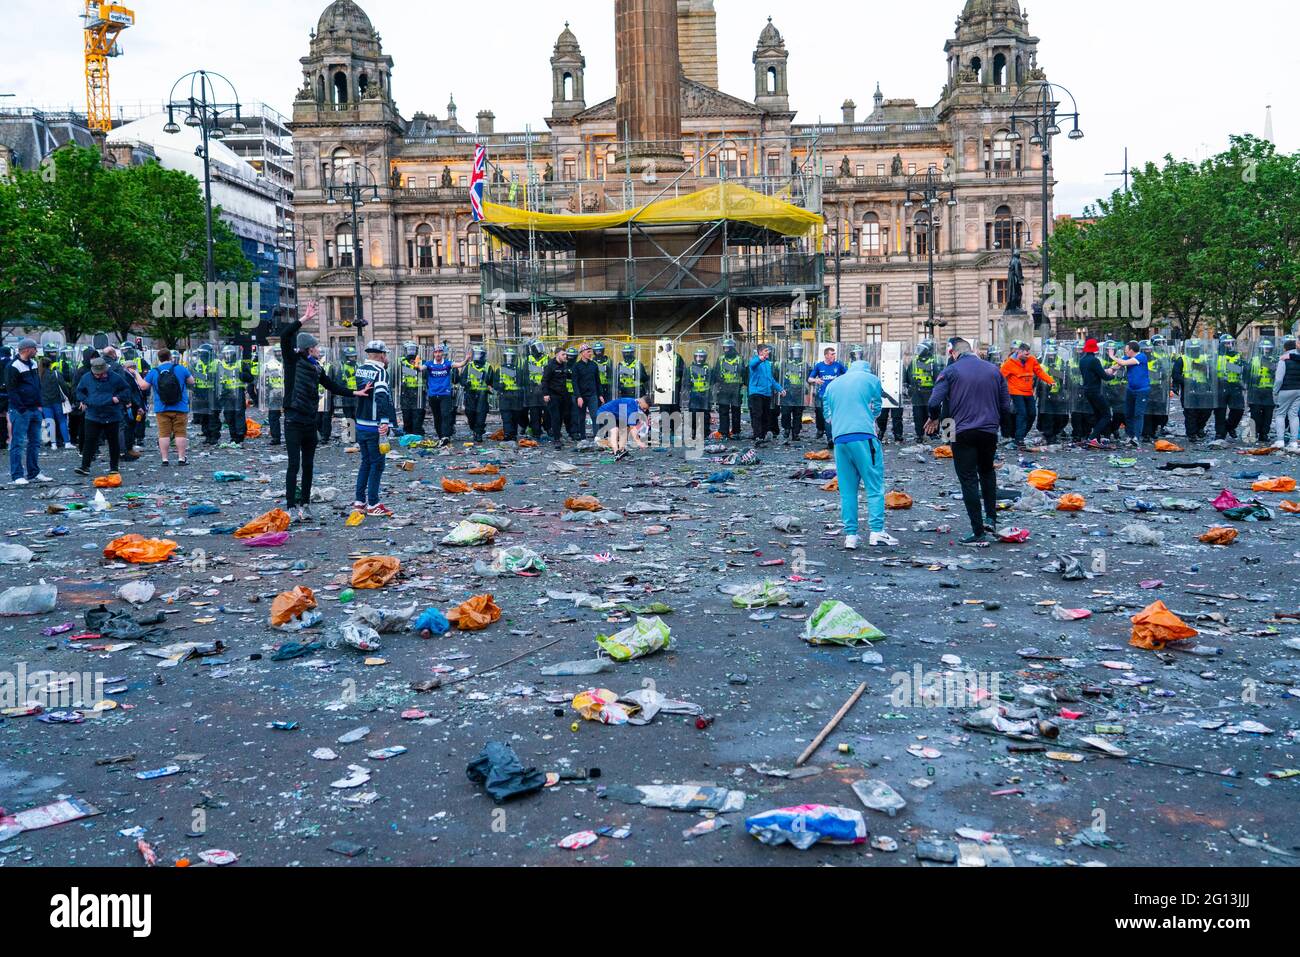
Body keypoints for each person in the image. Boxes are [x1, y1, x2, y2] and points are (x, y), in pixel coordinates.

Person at [281, 308, 373, 519]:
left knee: (309, 465)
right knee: (294, 464)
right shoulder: (293, 362)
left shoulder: (316, 368)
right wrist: (304, 318)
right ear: (307, 349)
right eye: (314, 347)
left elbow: (332, 385)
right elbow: (286, 335)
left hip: (309, 420)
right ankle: (291, 507)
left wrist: (355, 392)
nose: (318, 350)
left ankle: (305, 504)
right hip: (293, 419)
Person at [925, 338, 1013, 544]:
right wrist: (1003, 428)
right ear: (972, 350)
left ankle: (978, 531)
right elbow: (1006, 404)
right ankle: (991, 517)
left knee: (968, 479)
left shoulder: (951, 371)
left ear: (953, 353)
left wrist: (934, 418)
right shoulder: (993, 369)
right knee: (987, 472)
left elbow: (935, 401)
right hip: (988, 431)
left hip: (962, 431)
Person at [823, 358, 896, 550]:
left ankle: (851, 536)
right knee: (874, 485)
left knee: (847, 491)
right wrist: (869, 417)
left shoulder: (833, 384)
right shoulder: (871, 379)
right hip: (863, 437)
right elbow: (878, 407)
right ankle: (877, 531)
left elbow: (826, 414)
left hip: (840, 440)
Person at [352, 341, 397, 515]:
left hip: (361, 422)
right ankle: (373, 503)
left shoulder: (360, 369)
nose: (386, 358)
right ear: (381, 355)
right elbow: (380, 396)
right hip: (374, 425)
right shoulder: (380, 372)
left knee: (365, 463)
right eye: (385, 354)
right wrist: (384, 421)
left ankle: (359, 501)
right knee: (377, 465)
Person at [73, 356, 132, 479]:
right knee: (89, 441)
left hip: (112, 414)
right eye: (98, 374)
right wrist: (84, 401)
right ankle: (85, 466)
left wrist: (118, 398)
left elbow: (127, 390)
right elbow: (79, 392)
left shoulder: (115, 377)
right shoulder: (86, 378)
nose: (101, 376)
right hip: (93, 415)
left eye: (103, 373)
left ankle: (114, 468)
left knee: (113, 442)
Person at [6, 338, 51, 485]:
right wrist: (22, 409)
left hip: (34, 409)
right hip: (21, 411)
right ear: (26, 349)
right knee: (18, 443)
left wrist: (39, 404)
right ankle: (17, 475)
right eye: (34, 348)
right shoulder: (13, 366)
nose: (36, 351)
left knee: (35, 443)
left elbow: (36, 385)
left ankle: (34, 472)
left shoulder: (32, 364)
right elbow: (12, 390)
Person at [139, 348, 192, 466]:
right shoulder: (180, 369)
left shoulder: (154, 371)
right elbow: (191, 382)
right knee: (180, 433)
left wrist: (136, 374)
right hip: (181, 407)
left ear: (159, 358)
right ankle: (181, 458)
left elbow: (143, 386)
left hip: (161, 408)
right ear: (171, 357)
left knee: (164, 434)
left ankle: (165, 459)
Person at [1000, 340, 1054, 447]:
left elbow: (1039, 372)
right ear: (1019, 352)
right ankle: (1019, 439)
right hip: (1016, 392)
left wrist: (1050, 381)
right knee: (1022, 414)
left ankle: (1020, 435)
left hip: (1028, 392)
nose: (1027, 356)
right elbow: (1000, 377)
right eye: (1025, 354)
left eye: (1028, 354)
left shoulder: (1031, 359)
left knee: (1032, 414)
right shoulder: (1009, 363)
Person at [1107, 340, 1150, 447]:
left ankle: (1136, 437)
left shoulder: (1141, 357)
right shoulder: (1128, 357)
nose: (1125, 352)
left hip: (1142, 390)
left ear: (1131, 350)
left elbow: (1123, 363)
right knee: (1128, 413)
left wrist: (1112, 356)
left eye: (1126, 350)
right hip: (1131, 389)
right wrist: (1109, 370)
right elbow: (1118, 365)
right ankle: (1130, 435)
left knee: (1138, 414)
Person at [423, 344, 465, 446]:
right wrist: (416, 364)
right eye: (436, 352)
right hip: (433, 395)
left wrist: (467, 359)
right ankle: (441, 436)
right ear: (433, 354)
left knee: (446, 415)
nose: (438, 354)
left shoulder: (447, 363)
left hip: (445, 394)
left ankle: (446, 436)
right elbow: (421, 368)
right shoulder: (429, 364)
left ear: (442, 353)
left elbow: (459, 365)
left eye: (440, 352)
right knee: (437, 417)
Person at [905, 340, 942, 441]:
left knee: (931, 413)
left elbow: (937, 377)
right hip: (917, 392)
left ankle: (933, 433)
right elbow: (908, 375)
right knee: (918, 415)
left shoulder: (933, 362)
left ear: (927, 350)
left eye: (921, 349)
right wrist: (907, 386)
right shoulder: (914, 361)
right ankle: (919, 434)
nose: (918, 351)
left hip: (930, 392)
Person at [1078, 339, 1112, 449]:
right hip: (1095, 391)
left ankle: (1095, 438)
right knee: (1107, 414)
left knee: (1098, 414)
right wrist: (1113, 374)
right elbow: (1105, 377)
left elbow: (1094, 373)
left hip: (1087, 391)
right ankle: (1092, 437)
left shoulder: (1082, 360)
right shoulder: (1094, 361)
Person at [459, 344, 496, 443]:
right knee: (470, 414)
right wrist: (466, 383)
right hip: (470, 394)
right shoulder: (469, 366)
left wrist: (490, 388)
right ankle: (474, 429)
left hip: (482, 395)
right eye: (476, 354)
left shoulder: (488, 367)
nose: (478, 356)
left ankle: (478, 433)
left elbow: (492, 382)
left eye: (480, 354)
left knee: (481, 415)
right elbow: (461, 379)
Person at [809, 346, 847, 441]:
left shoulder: (838, 365)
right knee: (823, 415)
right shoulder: (819, 365)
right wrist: (816, 380)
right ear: (826, 355)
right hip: (823, 395)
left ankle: (833, 436)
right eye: (832, 354)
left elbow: (848, 374)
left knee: (835, 415)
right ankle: (823, 432)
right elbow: (809, 379)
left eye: (834, 354)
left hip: (836, 395)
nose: (834, 356)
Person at [596, 395, 651, 460]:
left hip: (615, 415)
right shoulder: (632, 406)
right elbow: (632, 427)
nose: (644, 410)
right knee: (614, 429)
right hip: (604, 412)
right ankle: (616, 452)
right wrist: (638, 442)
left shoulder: (634, 404)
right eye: (644, 408)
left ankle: (621, 450)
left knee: (624, 429)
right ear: (641, 402)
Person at [217, 345, 252, 445]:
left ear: (234, 355)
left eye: (229, 354)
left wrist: (242, 375)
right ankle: (233, 435)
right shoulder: (220, 365)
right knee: (229, 415)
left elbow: (250, 378)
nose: (227, 356)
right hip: (226, 394)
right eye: (225, 354)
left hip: (238, 393)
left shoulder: (240, 364)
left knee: (239, 414)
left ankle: (240, 435)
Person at [1214, 334, 1246, 442]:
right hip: (1220, 386)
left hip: (1235, 386)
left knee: (1238, 410)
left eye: (1231, 343)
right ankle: (1219, 433)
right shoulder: (1216, 356)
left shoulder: (1238, 355)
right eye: (1227, 343)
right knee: (1220, 412)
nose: (1230, 345)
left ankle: (1229, 427)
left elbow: (1242, 370)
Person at [540, 345, 573, 447]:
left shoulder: (564, 365)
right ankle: (556, 439)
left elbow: (568, 376)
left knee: (562, 417)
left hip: (563, 395)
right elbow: (544, 380)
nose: (565, 356)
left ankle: (557, 435)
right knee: (555, 417)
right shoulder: (550, 366)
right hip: (552, 395)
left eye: (566, 354)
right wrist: (545, 394)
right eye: (563, 354)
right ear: (557, 355)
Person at [39, 355, 74, 451]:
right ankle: (67, 442)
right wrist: (68, 397)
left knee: (50, 422)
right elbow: (64, 387)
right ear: (50, 365)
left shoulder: (39, 376)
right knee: (62, 421)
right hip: (57, 401)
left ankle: (53, 444)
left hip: (45, 402)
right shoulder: (56, 373)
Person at [1271, 338, 1300, 451]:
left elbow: (1279, 379)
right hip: (1299, 390)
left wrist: (1275, 391)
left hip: (1286, 390)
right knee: (1293, 414)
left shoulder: (1284, 358)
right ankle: (1293, 442)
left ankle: (1280, 440)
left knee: (1280, 414)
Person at [1246, 339, 1276, 444]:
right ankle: (1254, 433)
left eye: (1268, 349)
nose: (1266, 350)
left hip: (1269, 391)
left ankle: (1264, 434)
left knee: (1268, 414)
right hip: (1255, 390)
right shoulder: (1254, 360)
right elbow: (1247, 373)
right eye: (1264, 348)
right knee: (1255, 414)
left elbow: (1276, 374)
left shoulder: (1274, 360)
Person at [747, 344, 779, 444]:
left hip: (766, 393)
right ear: (760, 352)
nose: (768, 352)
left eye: (768, 351)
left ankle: (763, 435)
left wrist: (780, 389)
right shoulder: (755, 360)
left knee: (766, 415)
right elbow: (752, 365)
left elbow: (771, 379)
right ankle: (757, 435)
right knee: (757, 414)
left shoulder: (768, 364)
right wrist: (760, 359)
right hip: (756, 392)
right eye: (766, 351)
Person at [189, 344, 220, 445]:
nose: (201, 356)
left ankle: (214, 436)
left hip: (213, 392)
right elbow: (192, 376)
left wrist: (206, 376)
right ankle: (207, 435)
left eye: (203, 354)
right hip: (200, 392)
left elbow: (219, 377)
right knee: (203, 416)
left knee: (213, 415)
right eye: (200, 354)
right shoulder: (197, 363)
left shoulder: (217, 363)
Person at [714, 339, 745, 439]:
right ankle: (724, 432)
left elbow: (743, 373)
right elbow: (716, 372)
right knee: (723, 411)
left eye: (727, 347)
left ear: (732, 348)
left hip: (736, 387)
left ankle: (736, 432)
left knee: (736, 411)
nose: (726, 349)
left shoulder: (739, 359)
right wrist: (719, 379)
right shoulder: (721, 359)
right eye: (725, 347)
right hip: (724, 387)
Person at [777, 343, 808, 443]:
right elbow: (779, 375)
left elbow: (808, 378)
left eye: (798, 351)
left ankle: (796, 433)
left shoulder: (805, 364)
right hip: (787, 392)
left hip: (799, 392)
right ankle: (786, 428)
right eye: (795, 351)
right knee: (785, 413)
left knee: (798, 414)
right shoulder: (784, 363)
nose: (796, 354)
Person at [496, 346, 527, 441]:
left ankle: (513, 434)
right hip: (504, 396)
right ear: (504, 357)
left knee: (515, 417)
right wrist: (499, 386)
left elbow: (524, 382)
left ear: (514, 358)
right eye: (507, 357)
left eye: (511, 357)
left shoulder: (519, 370)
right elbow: (494, 382)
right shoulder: (499, 369)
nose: (509, 359)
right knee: (506, 418)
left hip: (516, 397)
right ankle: (507, 434)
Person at [685, 347, 715, 445]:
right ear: (694, 357)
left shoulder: (708, 368)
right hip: (694, 394)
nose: (699, 359)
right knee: (693, 414)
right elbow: (686, 381)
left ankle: (705, 433)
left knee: (705, 415)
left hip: (705, 394)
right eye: (697, 356)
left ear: (705, 358)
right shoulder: (690, 368)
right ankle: (693, 432)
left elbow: (712, 380)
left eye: (701, 357)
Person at [573, 343, 602, 438]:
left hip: (592, 395)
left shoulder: (594, 365)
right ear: (582, 353)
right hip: (581, 396)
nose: (590, 353)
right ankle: (582, 437)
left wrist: (600, 395)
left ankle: (597, 437)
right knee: (581, 417)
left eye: (590, 352)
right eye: (588, 351)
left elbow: (598, 381)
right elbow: (575, 383)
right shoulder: (576, 367)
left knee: (595, 416)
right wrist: (578, 397)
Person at [398, 342, 427, 436]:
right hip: (405, 392)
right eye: (409, 350)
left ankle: (417, 433)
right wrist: (415, 371)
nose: (411, 352)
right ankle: (408, 433)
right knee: (406, 414)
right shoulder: (401, 362)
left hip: (418, 392)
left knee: (418, 414)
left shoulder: (422, 362)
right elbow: (397, 372)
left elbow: (425, 374)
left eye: (413, 350)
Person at [524, 340, 549, 439]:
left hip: (544, 389)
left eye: (540, 346)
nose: (540, 349)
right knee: (535, 413)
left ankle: (547, 427)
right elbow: (524, 374)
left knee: (548, 412)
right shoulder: (528, 359)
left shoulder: (547, 359)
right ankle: (536, 432)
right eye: (537, 347)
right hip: (532, 390)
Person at [264, 346, 285, 446]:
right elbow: (266, 380)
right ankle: (276, 438)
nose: (278, 354)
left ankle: (292, 437)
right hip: (274, 394)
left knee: (290, 417)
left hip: (286, 394)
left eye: (280, 352)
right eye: (276, 352)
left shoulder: (289, 363)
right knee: (273, 417)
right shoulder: (270, 365)